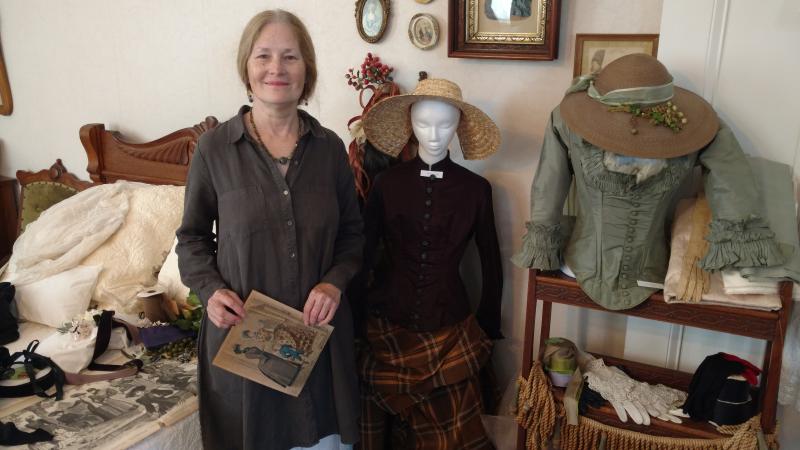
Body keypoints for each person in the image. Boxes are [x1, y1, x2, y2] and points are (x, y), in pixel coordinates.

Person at [176, 9, 363, 450]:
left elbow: (354, 236)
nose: (276, 68)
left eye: (290, 57)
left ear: (307, 71)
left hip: (318, 345)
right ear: (247, 66)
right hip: (245, 345)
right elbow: (192, 238)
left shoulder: (331, 149)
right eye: (263, 56)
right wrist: (211, 290)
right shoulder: (213, 149)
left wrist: (334, 285)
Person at [512, 53, 783, 310]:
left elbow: (731, 180)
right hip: (579, 266)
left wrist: (737, 239)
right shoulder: (565, 119)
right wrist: (543, 242)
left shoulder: (698, 126)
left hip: (654, 272)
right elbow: (549, 184)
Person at [357, 77, 503, 449]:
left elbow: (491, 262)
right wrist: (354, 318)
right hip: (386, 328)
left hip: (451, 330)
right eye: (423, 123)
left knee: (451, 434)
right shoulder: (387, 184)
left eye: (445, 124)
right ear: (409, 125)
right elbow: (362, 255)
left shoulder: (476, 190)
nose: (434, 134)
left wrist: (487, 325)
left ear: (459, 127)